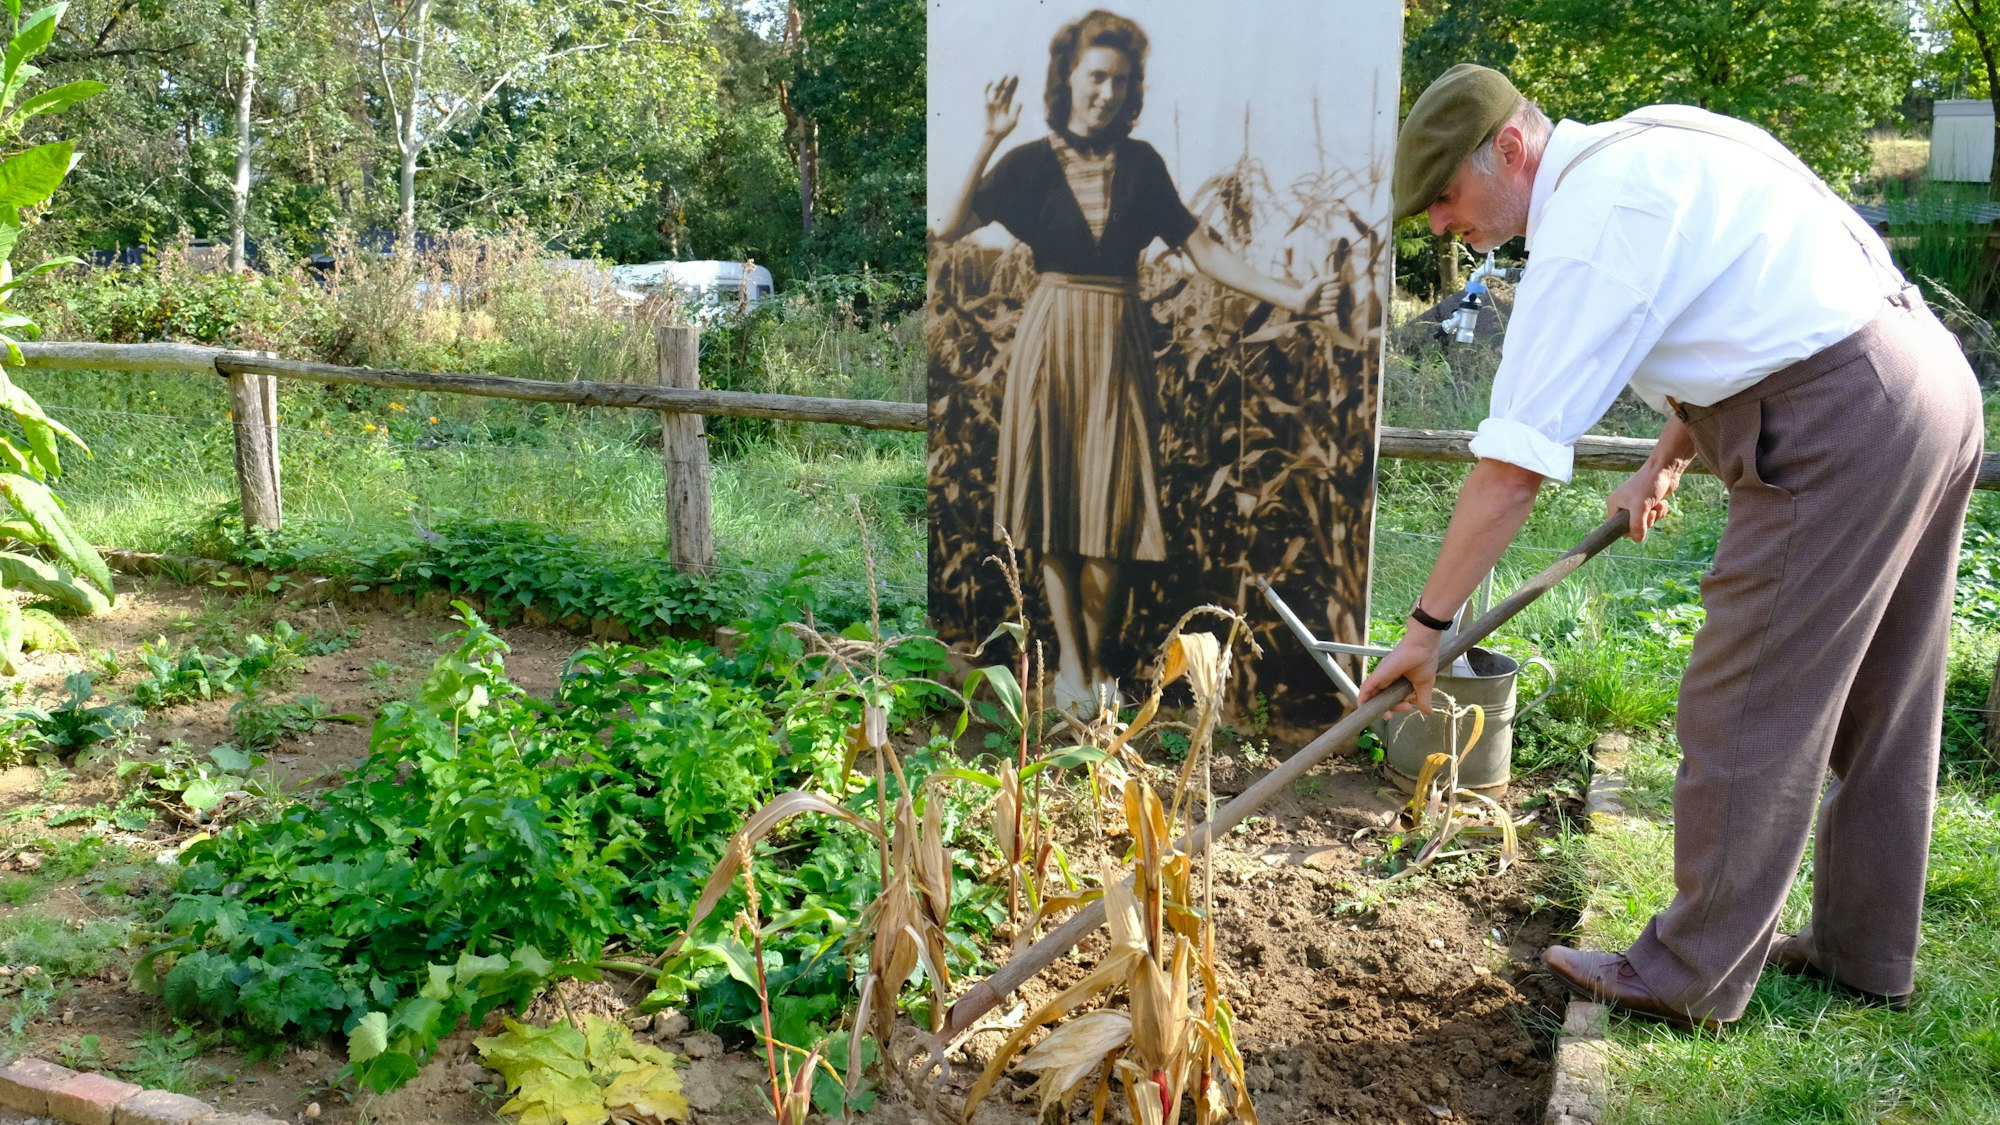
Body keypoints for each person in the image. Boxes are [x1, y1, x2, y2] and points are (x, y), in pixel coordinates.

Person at [1357, 64, 1982, 1030]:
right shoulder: (1652, 139)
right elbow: (1742, 298)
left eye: (1444, 196)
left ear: (1511, 150)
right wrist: (1666, 456)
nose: (1440, 225)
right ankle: (1864, 951)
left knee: (1742, 703)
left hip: (1838, 423)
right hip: (1922, 383)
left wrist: (1426, 625)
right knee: (1885, 695)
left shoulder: (1588, 226)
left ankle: (1687, 971)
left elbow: (1512, 468)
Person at [935, 8, 1328, 712]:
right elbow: (950, 224)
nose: (1106, 92)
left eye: (1119, 80)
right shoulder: (1026, 163)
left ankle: (1085, 670)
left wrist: (1294, 293)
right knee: (1057, 509)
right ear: (1069, 79)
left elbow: (1202, 249)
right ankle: (1075, 675)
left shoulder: (1142, 165)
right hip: (1052, 338)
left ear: (1130, 88)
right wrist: (989, 138)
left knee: (1111, 512)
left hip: (1119, 340)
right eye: (1095, 77)